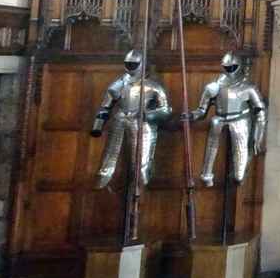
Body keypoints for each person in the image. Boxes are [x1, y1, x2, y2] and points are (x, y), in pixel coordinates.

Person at [91, 49, 172, 189]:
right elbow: (105, 108)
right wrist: (97, 127)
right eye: (128, 64)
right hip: (119, 121)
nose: (130, 67)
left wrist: (147, 115)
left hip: (142, 123)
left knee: (141, 167)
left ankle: (139, 195)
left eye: (134, 64)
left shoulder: (153, 86)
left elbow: (166, 111)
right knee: (106, 166)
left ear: (142, 64)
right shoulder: (118, 84)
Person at [184, 51, 267, 187]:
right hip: (219, 119)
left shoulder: (248, 87)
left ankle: (239, 175)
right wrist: (191, 115)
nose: (229, 70)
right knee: (211, 145)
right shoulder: (213, 86)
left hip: (240, 119)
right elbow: (201, 110)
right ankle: (207, 174)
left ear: (239, 67)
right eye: (226, 67)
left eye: (232, 67)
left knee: (239, 169)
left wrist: (257, 137)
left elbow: (260, 110)